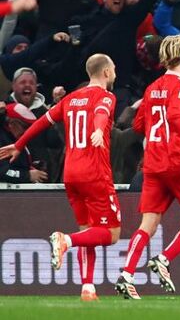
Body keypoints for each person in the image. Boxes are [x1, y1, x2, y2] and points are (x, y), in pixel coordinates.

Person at [0, 54, 121, 301]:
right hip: (94, 173)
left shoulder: (71, 99)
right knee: (110, 234)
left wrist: (19, 144)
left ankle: (88, 287)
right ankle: (65, 240)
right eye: (114, 70)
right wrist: (98, 129)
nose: (116, 74)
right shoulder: (106, 96)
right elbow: (101, 111)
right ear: (106, 73)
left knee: (88, 230)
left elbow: (43, 122)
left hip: (71, 173)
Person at [115, 35, 180, 300]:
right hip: (178, 161)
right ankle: (164, 259)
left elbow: (138, 126)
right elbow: (175, 117)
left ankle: (126, 274)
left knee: (149, 223)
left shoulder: (152, 87)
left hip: (153, 163)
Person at [0, 102, 46, 184]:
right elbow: (2, 171)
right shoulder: (3, 140)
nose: (28, 133)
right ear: (12, 123)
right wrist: (27, 175)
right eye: (25, 127)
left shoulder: (16, 139)